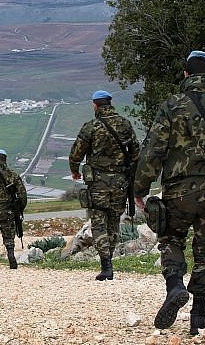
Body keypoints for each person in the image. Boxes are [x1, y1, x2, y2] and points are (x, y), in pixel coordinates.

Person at [133, 51, 205, 335]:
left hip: (177, 191)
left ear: (186, 75)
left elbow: (153, 150)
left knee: (171, 240)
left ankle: (174, 286)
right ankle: (199, 316)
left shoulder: (172, 106)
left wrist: (140, 188)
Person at [69, 90, 139, 281]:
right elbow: (136, 152)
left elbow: (76, 153)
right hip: (120, 182)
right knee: (114, 220)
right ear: (110, 103)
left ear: (95, 105)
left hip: (98, 182)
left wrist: (75, 171)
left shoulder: (91, 127)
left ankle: (106, 264)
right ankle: (110, 260)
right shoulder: (125, 124)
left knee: (99, 221)